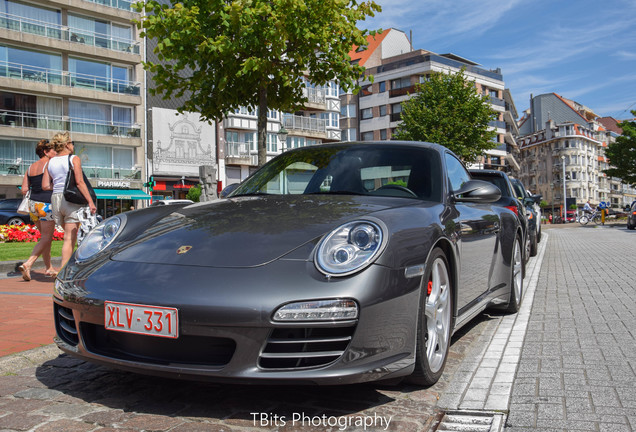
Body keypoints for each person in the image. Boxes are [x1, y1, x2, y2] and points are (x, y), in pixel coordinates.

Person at [43, 132, 96, 269]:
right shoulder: (73, 159)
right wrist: (90, 201)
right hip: (70, 200)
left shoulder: (50, 161)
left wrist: (60, 185)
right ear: (67, 144)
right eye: (72, 143)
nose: (73, 146)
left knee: (66, 237)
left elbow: (45, 185)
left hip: (56, 199)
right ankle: (63, 271)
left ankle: (65, 269)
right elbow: (79, 182)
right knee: (70, 238)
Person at [17, 140, 58, 281]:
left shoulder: (30, 167)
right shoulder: (50, 164)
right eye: (54, 150)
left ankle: (48, 268)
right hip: (46, 204)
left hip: (33, 205)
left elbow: (24, 190)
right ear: (46, 152)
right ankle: (28, 264)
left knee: (45, 239)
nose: (56, 152)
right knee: (47, 237)